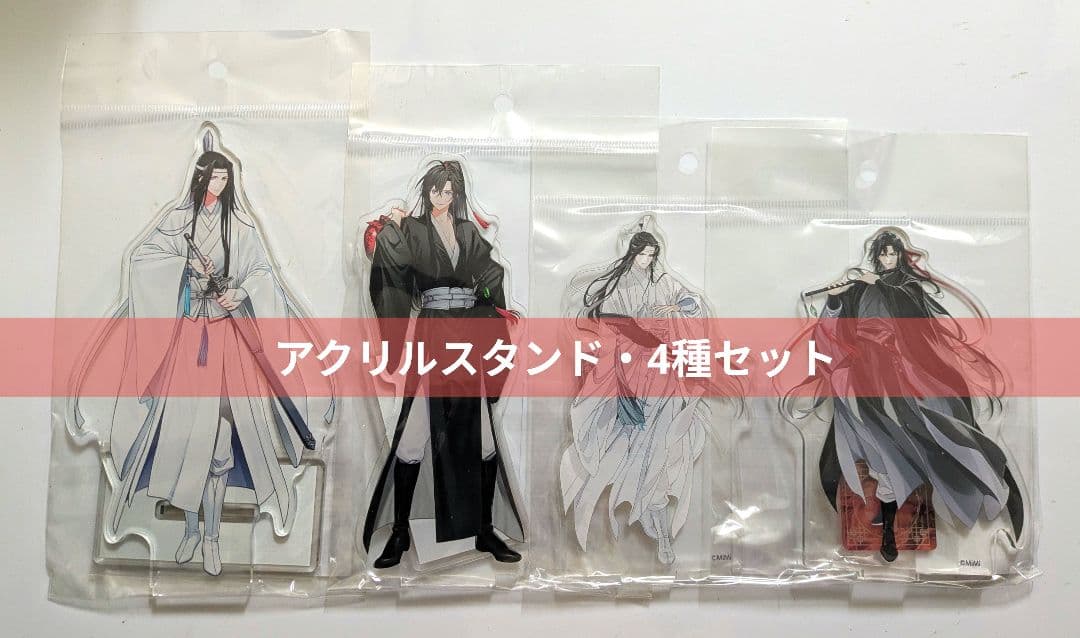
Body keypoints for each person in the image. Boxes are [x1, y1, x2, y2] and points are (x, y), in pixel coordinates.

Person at [72, 127, 331, 576]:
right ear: (200, 178)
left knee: (220, 447)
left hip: (229, 341)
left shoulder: (241, 226)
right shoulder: (178, 220)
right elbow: (143, 260)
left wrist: (239, 292)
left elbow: (263, 273)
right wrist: (185, 267)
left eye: (225, 178)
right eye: (213, 177)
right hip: (190, 340)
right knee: (186, 443)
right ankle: (192, 529)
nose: (220, 185)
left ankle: (212, 537)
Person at [798, 228, 1023, 562]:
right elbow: (829, 335)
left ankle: (985, 487)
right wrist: (834, 299)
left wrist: (880, 284)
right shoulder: (859, 290)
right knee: (880, 459)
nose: (888, 258)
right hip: (864, 378)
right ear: (876, 256)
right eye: (883, 253)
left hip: (901, 376)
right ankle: (887, 532)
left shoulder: (908, 288)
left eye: (893, 253)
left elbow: (913, 319)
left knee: (933, 439)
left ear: (900, 256)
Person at [362, 160, 524, 568]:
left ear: (457, 194)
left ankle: (484, 528)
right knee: (414, 431)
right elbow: (392, 262)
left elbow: (491, 273)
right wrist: (391, 230)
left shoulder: (468, 231)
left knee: (484, 436)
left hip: (468, 335)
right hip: (434, 332)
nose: (443, 197)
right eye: (437, 189)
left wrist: (485, 293)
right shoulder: (414, 229)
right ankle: (400, 531)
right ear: (427, 190)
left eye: (450, 191)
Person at [559, 223, 711, 565]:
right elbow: (617, 324)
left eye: (652, 255)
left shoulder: (664, 281)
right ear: (633, 253)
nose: (647, 260)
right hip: (629, 368)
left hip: (663, 369)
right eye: (643, 254)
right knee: (636, 447)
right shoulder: (620, 283)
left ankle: (658, 517)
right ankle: (648, 510)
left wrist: (677, 309)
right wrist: (651, 339)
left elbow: (693, 302)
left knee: (665, 443)